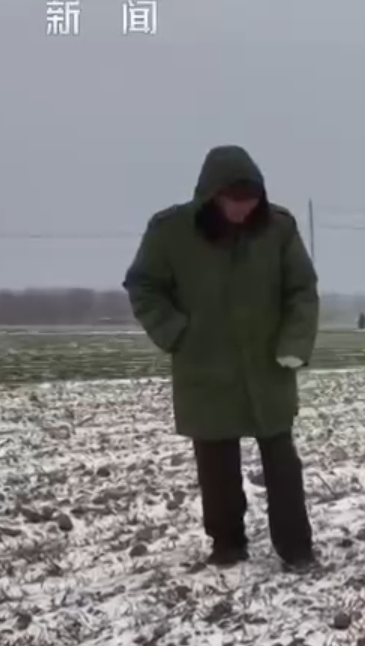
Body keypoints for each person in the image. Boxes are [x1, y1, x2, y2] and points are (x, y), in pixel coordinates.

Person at [123, 145, 321, 571]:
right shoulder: (170, 231)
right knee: (215, 463)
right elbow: (143, 285)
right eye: (235, 200)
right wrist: (176, 332)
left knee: (282, 462)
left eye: (251, 201)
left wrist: (294, 343)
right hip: (204, 365)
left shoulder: (278, 228)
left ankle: (297, 547)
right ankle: (227, 543)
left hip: (268, 365)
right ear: (211, 194)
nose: (244, 210)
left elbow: (302, 289)